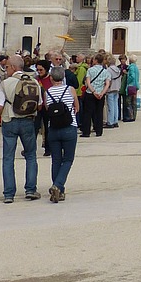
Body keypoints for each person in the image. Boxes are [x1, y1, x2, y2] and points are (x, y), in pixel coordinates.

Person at [0, 54, 39, 202]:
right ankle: (30, 189)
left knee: (8, 157)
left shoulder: (5, 83)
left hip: (10, 120)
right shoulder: (34, 81)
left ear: (14, 67)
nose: (5, 69)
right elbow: (39, 104)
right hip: (28, 121)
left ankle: (9, 193)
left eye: (7, 67)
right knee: (31, 155)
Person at [44, 67, 79, 202]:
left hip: (53, 128)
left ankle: (58, 191)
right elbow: (76, 107)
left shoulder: (47, 92)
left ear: (51, 78)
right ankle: (57, 185)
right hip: (69, 127)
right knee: (68, 159)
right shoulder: (70, 89)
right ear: (63, 77)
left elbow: (48, 109)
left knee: (56, 160)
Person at [80, 52, 111, 137]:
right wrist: (102, 93)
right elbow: (107, 84)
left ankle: (86, 132)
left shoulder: (90, 70)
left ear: (96, 60)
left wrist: (93, 91)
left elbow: (88, 82)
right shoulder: (106, 71)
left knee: (88, 113)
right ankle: (99, 131)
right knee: (99, 112)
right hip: (101, 94)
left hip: (90, 93)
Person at [105, 55, 122, 128]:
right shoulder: (118, 69)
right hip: (117, 88)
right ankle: (115, 121)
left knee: (110, 107)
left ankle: (110, 122)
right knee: (116, 106)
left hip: (110, 89)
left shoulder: (108, 70)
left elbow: (108, 79)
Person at [119, 54, 138, 122]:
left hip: (131, 86)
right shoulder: (135, 67)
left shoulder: (131, 67)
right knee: (133, 102)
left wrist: (128, 80)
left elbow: (132, 76)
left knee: (129, 102)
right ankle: (133, 115)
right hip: (135, 85)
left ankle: (130, 116)